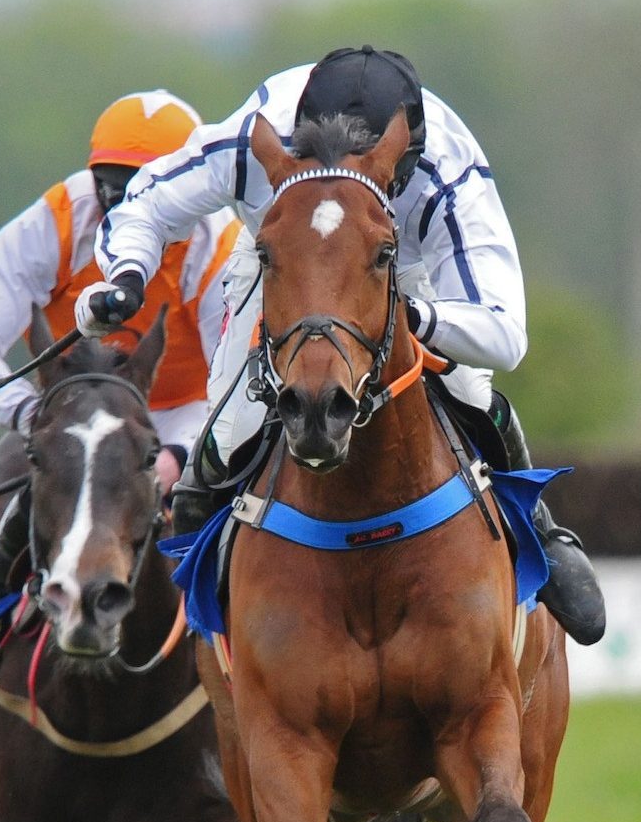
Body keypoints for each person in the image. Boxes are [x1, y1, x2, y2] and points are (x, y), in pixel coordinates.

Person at [78, 45, 606, 647]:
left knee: (471, 389)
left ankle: (543, 532)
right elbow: (146, 200)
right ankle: (201, 584)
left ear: (406, 160)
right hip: (285, 263)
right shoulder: (259, 130)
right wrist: (127, 274)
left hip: (396, 276)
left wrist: (406, 317)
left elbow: (505, 334)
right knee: (224, 430)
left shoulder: (449, 172)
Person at [0, 90, 241, 739]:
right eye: (111, 187)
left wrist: (177, 454)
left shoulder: (219, 245)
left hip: (183, 418)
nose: (124, 209)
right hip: (68, 412)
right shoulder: (60, 219)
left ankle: (268, 676)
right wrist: (29, 415)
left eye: (146, 192)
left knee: (251, 508)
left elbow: (236, 378)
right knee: (23, 477)